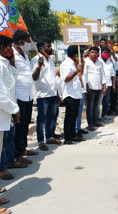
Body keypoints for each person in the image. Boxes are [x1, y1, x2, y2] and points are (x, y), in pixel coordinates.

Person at [12, 30, 37, 166]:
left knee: (26, 123)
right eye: (28, 41)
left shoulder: (25, 55)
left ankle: (23, 149)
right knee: (19, 126)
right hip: (19, 95)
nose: (29, 44)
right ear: (21, 42)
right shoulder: (12, 56)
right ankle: (16, 155)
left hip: (28, 95)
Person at [0, 35, 19, 214]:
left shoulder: (4, 62)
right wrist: (14, 109)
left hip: (3, 116)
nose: (10, 50)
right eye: (8, 47)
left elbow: (11, 84)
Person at [31, 40, 61, 151]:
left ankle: (49, 137)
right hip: (42, 94)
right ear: (41, 49)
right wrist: (39, 65)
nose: (51, 48)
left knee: (51, 117)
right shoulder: (35, 60)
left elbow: (53, 78)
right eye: (48, 46)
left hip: (52, 93)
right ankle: (40, 141)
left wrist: (57, 93)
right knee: (41, 119)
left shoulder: (51, 59)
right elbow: (34, 77)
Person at [60, 45, 84, 144]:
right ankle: (67, 137)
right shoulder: (66, 64)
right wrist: (76, 71)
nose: (80, 57)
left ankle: (73, 134)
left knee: (74, 116)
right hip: (70, 94)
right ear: (75, 55)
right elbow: (66, 79)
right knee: (69, 117)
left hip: (76, 93)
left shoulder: (74, 63)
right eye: (79, 55)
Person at [84, 46, 107, 131]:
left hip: (99, 87)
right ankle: (90, 124)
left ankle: (95, 121)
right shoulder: (86, 62)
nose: (94, 54)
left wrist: (104, 87)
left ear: (98, 53)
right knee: (90, 106)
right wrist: (87, 87)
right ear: (89, 53)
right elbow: (85, 76)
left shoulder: (99, 63)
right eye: (92, 52)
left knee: (97, 106)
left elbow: (102, 75)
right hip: (90, 87)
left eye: (96, 52)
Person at [99, 47, 116, 119]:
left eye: (107, 52)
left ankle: (104, 114)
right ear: (101, 53)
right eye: (104, 52)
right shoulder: (98, 61)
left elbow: (112, 74)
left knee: (106, 101)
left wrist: (114, 85)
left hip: (108, 84)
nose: (105, 54)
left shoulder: (110, 62)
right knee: (99, 101)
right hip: (100, 85)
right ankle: (97, 117)